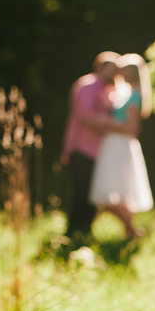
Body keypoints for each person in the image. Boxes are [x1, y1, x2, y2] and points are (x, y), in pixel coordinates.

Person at [88, 53, 154, 238]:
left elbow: (132, 128)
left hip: (120, 145)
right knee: (116, 192)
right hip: (113, 144)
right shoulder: (123, 93)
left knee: (108, 194)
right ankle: (130, 233)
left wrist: (107, 121)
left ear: (132, 73)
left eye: (124, 70)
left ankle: (133, 231)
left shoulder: (133, 96)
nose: (120, 73)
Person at [60, 51, 120, 242]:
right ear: (99, 67)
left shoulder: (108, 90)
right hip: (81, 148)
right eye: (110, 67)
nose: (114, 72)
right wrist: (116, 124)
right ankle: (73, 231)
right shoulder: (86, 85)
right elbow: (85, 116)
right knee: (81, 191)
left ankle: (86, 231)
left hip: (100, 151)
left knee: (93, 192)